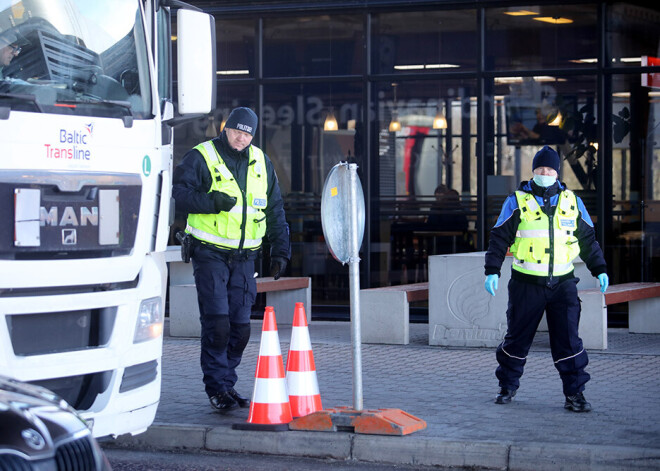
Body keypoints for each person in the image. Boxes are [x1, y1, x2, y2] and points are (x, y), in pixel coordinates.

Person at [172, 107, 290, 413]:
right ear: (225, 129)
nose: (241, 138)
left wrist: (280, 250)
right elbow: (179, 195)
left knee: (240, 328)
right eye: (236, 131)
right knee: (218, 325)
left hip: (244, 257)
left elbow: (275, 209)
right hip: (209, 253)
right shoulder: (201, 156)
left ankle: (227, 383)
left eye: (247, 133)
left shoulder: (262, 162)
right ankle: (217, 389)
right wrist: (212, 202)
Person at [483, 145, 608, 413]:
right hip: (526, 283)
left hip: (563, 284)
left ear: (557, 172)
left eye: (550, 169)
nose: (545, 173)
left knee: (569, 341)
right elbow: (499, 237)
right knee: (517, 339)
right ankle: (507, 386)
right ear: (533, 171)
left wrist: (600, 269)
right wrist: (492, 270)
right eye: (540, 169)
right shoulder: (516, 200)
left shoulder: (572, 201)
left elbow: (587, 240)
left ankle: (575, 394)